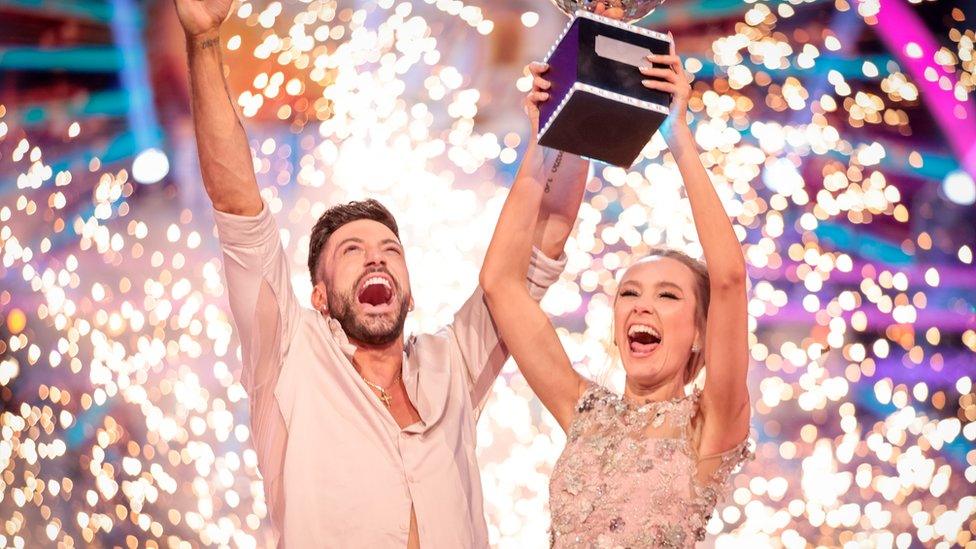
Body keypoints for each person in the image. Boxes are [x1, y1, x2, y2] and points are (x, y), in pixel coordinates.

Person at [172, 0, 591, 546]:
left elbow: (546, 239)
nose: (376, 257)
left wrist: (574, 106)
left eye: (390, 250)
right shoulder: (290, 358)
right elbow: (236, 203)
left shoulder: (453, 364)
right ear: (319, 297)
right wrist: (204, 44)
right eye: (351, 251)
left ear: (410, 292)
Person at [480, 40, 753, 547]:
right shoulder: (583, 409)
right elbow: (499, 284)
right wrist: (545, 136)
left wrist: (677, 134)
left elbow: (731, 280)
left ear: (700, 333)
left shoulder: (710, 425)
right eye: (630, 292)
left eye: (669, 296)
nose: (642, 305)